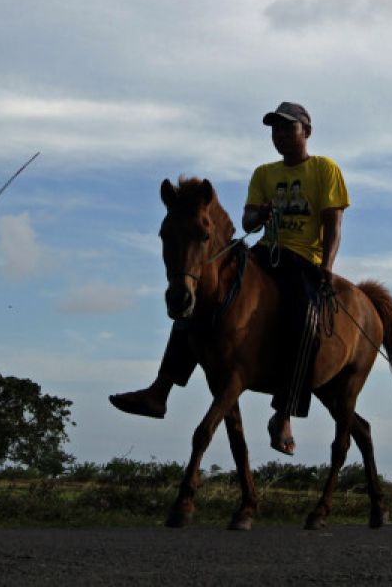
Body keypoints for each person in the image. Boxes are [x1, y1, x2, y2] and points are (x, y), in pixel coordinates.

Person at [109, 101, 349, 456]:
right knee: (200, 297)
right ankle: (160, 390)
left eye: (288, 128)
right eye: (275, 129)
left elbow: (333, 224)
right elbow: (249, 222)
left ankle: (283, 412)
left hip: (303, 260)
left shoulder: (325, 169)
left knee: (303, 316)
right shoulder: (264, 173)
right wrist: (259, 214)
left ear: (306, 132)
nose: (280, 135)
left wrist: (326, 268)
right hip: (265, 252)